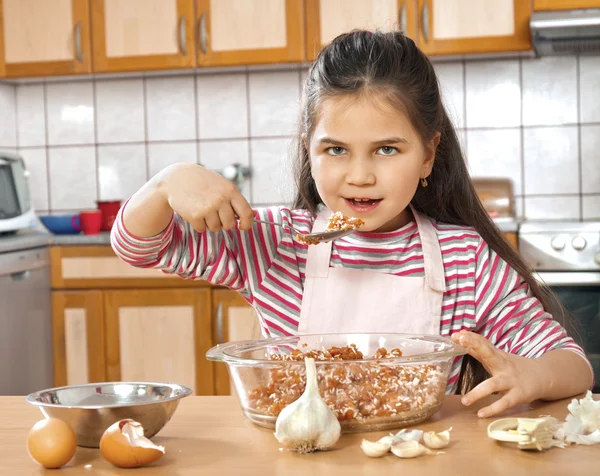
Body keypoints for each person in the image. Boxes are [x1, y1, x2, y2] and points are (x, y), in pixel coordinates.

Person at [111, 30, 593, 418]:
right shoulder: (277, 243)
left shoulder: (464, 259)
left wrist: (533, 376)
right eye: (336, 149)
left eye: (387, 149)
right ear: (309, 150)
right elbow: (139, 247)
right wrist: (165, 183)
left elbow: (573, 365)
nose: (360, 176)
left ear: (427, 154)